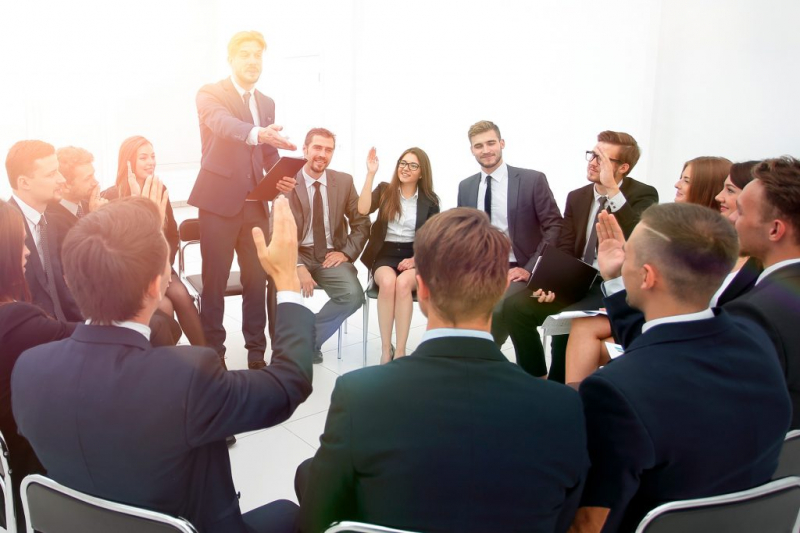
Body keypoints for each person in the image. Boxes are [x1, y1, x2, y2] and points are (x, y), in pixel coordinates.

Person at [12, 195, 313, 533]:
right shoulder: (186, 378)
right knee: (291, 514)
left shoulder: (28, 369)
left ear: (69, 281)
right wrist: (287, 282)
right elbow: (288, 383)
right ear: (157, 286)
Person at [296, 208, 589, 533]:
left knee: (306, 477)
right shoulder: (563, 406)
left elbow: (316, 521)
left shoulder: (359, 394)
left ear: (421, 290)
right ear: (499, 291)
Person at [570, 203, 791, 533]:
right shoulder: (756, 340)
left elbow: (591, 523)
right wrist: (616, 278)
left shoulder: (613, 392)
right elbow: (665, 349)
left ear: (647, 276)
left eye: (629, 256)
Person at [565, 156, 737, 384]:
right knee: (581, 325)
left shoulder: (710, 239)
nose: (677, 184)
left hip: (667, 324)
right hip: (652, 312)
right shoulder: (676, 223)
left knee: (594, 342)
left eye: (686, 180)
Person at [502, 132, 658, 379]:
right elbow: (565, 247)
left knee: (567, 323)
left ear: (623, 168)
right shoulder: (577, 196)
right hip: (576, 279)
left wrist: (612, 190)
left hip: (612, 283)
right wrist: (551, 283)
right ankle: (535, 379)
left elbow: (639, 237)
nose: (592, 163)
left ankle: (560, 386)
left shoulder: (644, 194)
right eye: (592, 155)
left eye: (602, 159)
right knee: (515, 308)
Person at [188, 30, 297, 369]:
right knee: (215, 283)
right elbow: (224, 125)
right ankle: (214, 353)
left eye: (257, 55)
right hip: (218, 204)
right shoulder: (210, 94)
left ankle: (256, 352)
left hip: (255, 205)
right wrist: (258, 133)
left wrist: (280, 176)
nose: (252, 61)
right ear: (231, 59)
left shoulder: (266, 102)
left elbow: (266, 153)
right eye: (245, 54)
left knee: (256, 280)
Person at [0, 199, 75, 531]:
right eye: (20, 244)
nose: (28, 252)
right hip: (34, 470)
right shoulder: (17, 321)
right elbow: (95, 338)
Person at [457, 120, 563, 346]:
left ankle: (483, 358)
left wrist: (529, 269)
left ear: (502, 143)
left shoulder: (531, 180)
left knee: (495, 310)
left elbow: (554, 226)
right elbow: (465, 233)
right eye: (479, 146)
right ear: (472, 150)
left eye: (491, 143)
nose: (486, 150)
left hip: (520, 267)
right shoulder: (466, 186)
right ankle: (476, 358)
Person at [103, 135, 204, 346]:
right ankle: (167, 359)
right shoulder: (110, 197)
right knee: (165, 305)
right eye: (143, 157)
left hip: (159, 264)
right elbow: (115, 246)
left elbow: (172, 235)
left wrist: (164, 264)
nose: (151, 162)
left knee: (181, 295)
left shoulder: (160, 189)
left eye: (153, 156)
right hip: (130, 272)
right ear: (128, 162)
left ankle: (211, 356)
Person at [724, 156, 800, 428]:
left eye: (741, 211)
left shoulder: (752, 313)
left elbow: (731, 409)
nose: (732, 218)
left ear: (775, 229)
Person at [285, 128, 370, 363]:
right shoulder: (287, 181)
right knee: (279, 290)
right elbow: (276, 231)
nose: (322, 154)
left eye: (328, 149)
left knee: (352, 295)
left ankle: (307, 338)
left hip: (331, 255)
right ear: (305, 150)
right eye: (317, 148)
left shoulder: (343, 181)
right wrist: (297, 265)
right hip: (297, 252)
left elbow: (362, 222)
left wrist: (346, 253)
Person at [358, 146, 440, 363]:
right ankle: (386, 350)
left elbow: (433, 239)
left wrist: (416, 260)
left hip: (414, 255)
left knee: (403, 284)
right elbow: (363, 209)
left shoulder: (430, 200)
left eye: (413, 165)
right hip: (385, 254)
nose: (406, 168)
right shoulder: (385, 190)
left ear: (421, 172)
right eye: (403, 163)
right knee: (388, 283)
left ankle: (401, 351)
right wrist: (370, 173)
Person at [5, 139, 82, 322]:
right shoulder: (5, 228)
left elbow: (60, 292)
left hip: (63, 329)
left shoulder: (53, 224)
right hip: (26, 332)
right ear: (24, 183)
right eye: (51, 174)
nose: (62, 179)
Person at [47, 145, 107, 254]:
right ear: (65, 186)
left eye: (93, 175)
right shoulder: (50, 219)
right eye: (88, 178)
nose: (95, 182)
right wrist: (96, 217)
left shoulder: (90, 204)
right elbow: (85, 255)